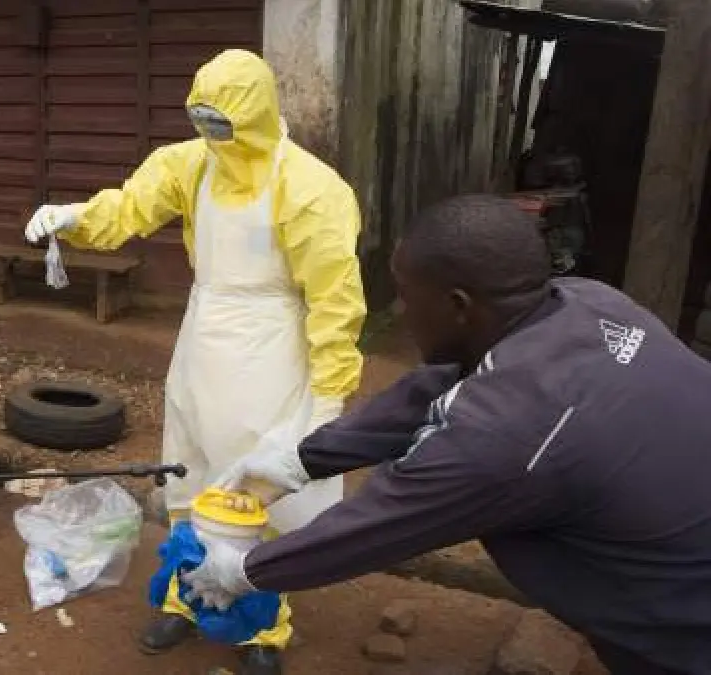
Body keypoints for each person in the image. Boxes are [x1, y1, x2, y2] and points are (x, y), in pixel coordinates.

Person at [189, 194, 711, 674]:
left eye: (406, 297)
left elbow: (380, 524)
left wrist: (246, 572)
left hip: (684, 624)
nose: (402, 313)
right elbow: (436, 387)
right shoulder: (589, 303)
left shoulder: (506, 437)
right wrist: (302, 458)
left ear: (459, 305)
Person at [24, 48, 365, 673]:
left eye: (221, 121)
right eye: (201, 118)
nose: (211, 133)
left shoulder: (312, 188)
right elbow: (130, 207)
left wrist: (330, 394)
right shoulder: (188, 165)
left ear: (254, 114)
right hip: (203, 335)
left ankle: (263, 627)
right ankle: (186, 598)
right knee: (190, 475)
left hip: (270, 345)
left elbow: (334, 299)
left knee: (254, 490)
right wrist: (74, 219)